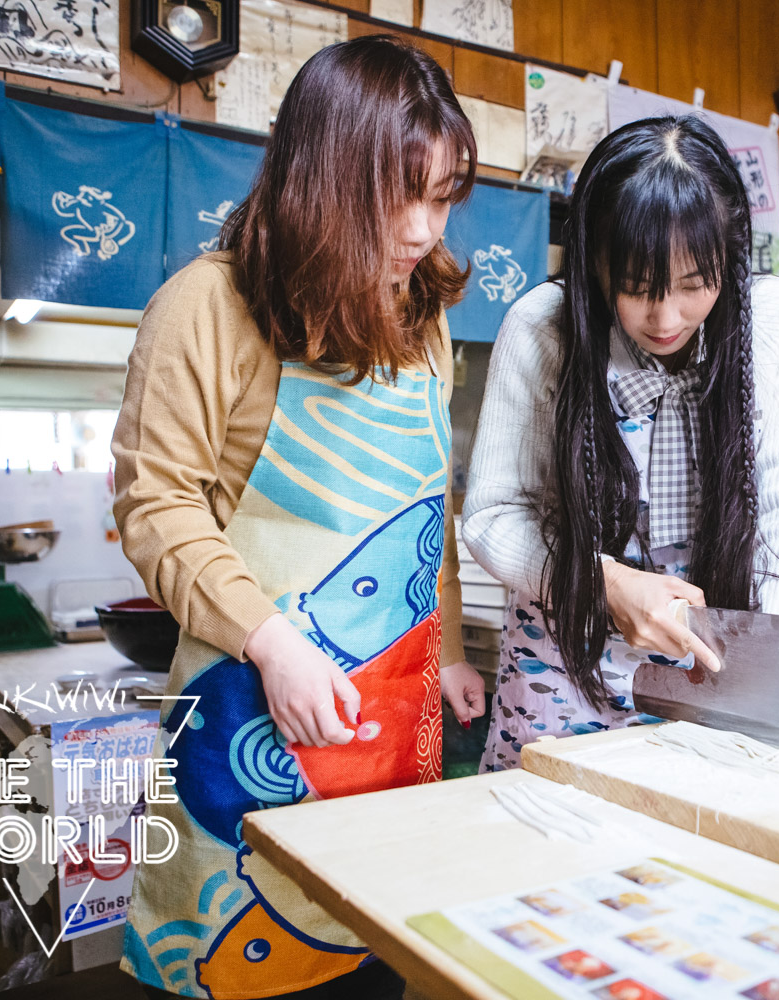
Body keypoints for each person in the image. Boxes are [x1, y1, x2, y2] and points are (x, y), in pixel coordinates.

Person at [113, 36, 486, 999]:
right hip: (245, 735)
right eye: (399, 191)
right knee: (255, 960)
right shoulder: (207, 305)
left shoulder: (424, 316)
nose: (421, 226)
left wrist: (441, 644)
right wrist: (274, 643)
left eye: (443, 194)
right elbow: (156, 507)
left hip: (393, 735)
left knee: (378, 964)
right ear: (323, 176)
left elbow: (422, 503)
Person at [461, 115, 779, 772]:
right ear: (594, 263)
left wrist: (770, 660)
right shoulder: (542, 328)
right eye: (636, 287)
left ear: (732, 254)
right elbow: (491, 516)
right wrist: (601, 583)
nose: (665, 319)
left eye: (695, 285)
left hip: (716, 655)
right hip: (562, 654)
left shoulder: (775, 322)